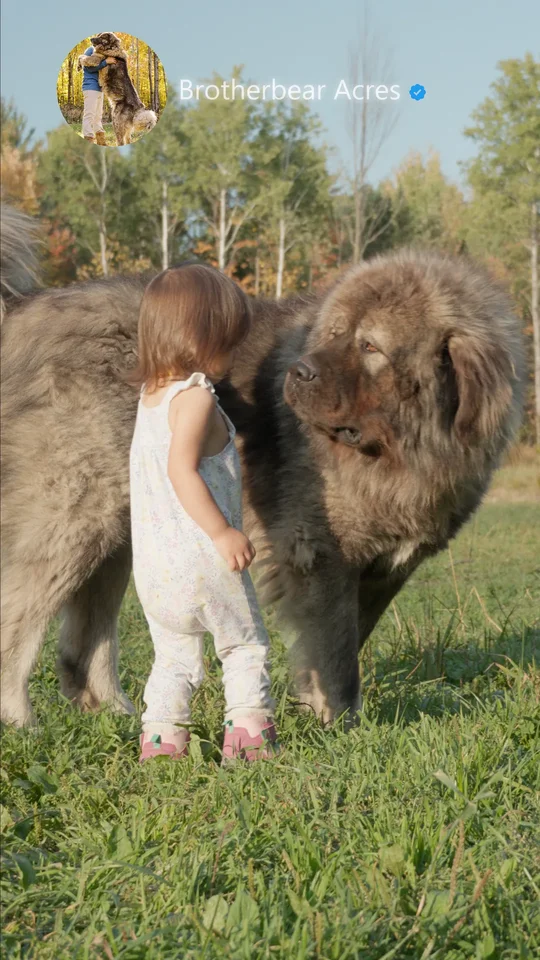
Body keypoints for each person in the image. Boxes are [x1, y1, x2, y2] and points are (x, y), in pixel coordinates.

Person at [127, 264, 279, 765]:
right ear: (200, 337)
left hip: (154, 570)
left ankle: (163, 744)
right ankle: (250, 743)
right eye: (229, 341)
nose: (234, 354)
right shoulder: (193, 397)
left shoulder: (151, 398)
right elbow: (181, 469)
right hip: (202, 559)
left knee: (174, 659)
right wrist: (222, 532)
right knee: (242, 647)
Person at [81, 44, 116, 145]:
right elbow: (88, 68)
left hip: (99, 89)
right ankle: (88, 139)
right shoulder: (90, 50)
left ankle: (101, 140)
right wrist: (105, 62)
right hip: (90, 87)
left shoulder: (103, 53)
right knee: (89, 115)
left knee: (98, 116)